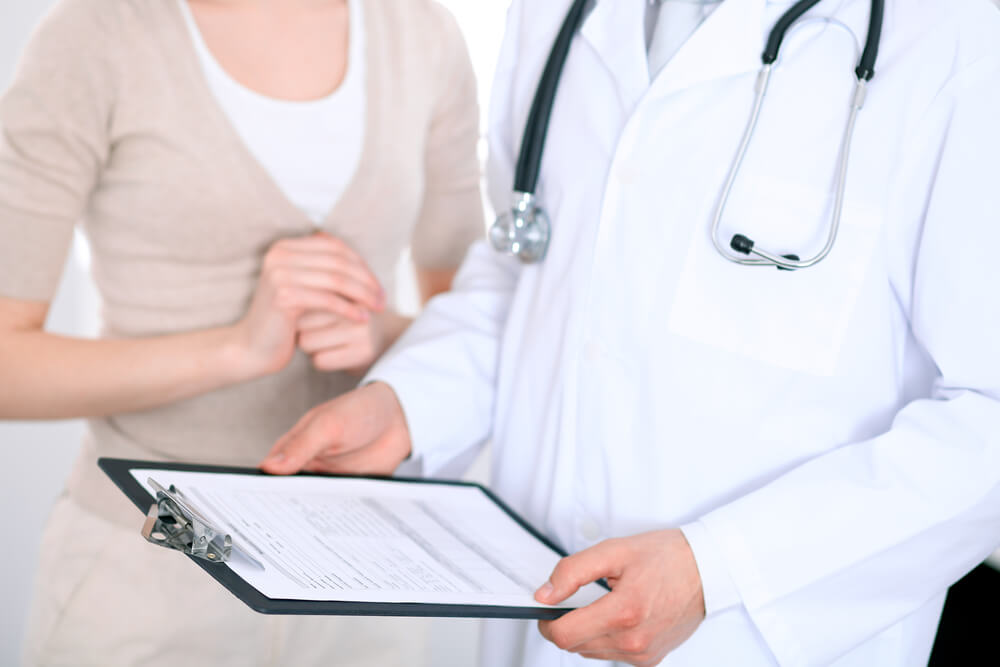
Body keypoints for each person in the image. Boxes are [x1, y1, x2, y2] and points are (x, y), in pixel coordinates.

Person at [261, 0, 1000, 665]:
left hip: (750, 639)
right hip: (536, 605)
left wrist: (718, 568)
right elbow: (530, 263)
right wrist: (410, 403)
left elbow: (988, 420)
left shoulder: (957, 39)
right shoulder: (556, 16)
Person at [0, 0, 483, 664]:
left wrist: (385, 331)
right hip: (152, 566)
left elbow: (476, 328)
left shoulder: (422, 33)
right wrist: (235, 349)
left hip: (364, 570)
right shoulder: (96, 34)